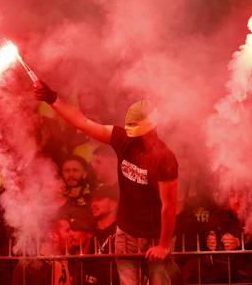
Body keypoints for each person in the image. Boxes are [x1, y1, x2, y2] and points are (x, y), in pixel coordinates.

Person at [34, 81, 179, 285]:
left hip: (156, 234)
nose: (131, 134)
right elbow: (82, 122)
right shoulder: (122, 138)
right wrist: (53, 99)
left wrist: (164, 245)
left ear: (150, 128)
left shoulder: (165, 159)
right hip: (127, 231)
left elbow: (169, 205)